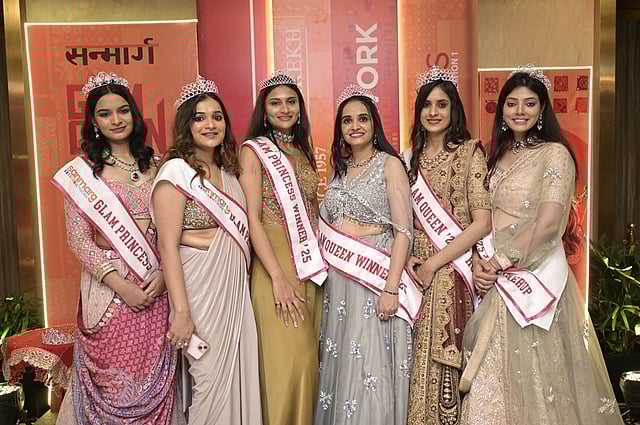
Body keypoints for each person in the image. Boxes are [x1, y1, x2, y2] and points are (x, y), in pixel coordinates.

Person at [459, 64, 624, 425]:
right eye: (512, 103)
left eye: (529, 103)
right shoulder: (496, 156)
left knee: (536, 380)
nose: (520, 111)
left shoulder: (555, 154)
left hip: (533, 279)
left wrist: (499, 262)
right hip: (495, 278)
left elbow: (549, 223)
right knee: (492, 379)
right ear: (501, 109)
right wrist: (480, 261)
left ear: (542, 109)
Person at [54, 72, 183, 424]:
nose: (116, 119)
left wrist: (165, 274)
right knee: (115, 385)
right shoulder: (83, 173)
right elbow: (79, 239)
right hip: (110, 294)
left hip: (157, 288)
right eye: (105, 113)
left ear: (134, 115)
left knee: (155, 383)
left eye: (123, 110)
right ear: (93, 122)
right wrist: (121, 285)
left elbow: (171, 228)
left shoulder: (158, 164)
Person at [151, 76, 262, 424]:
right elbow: (167, 246)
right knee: (209, 380)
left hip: (234, 290)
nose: (210, 124)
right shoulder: (176, 172)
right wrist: (181, 312)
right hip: (199, 292)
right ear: (187, 125)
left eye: (217, 116)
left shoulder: (228, 173)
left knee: (239, 376)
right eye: (200, 117)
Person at [314, 85, 421, 425]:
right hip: (340, 281)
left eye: (362, 118)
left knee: (370, 364)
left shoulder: (390, 165)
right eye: (347, 121)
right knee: (343, 362)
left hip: (375, 276)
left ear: (374, 124)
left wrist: (391, 288)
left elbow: (404, 231)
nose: (355, 126)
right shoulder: (339, 169)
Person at [403, 66, 491, 425]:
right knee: (411, 361)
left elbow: (482, 222)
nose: (433, 112)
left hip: (452, 271)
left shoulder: (470, 153)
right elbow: (402, 221)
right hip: (414, 275)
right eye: (427, 105)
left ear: (454, 110)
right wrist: (410, 258)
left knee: (446, 361)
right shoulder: (409, 159)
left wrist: (433, 263)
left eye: (442, 104)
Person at [239, 70, 327, 425]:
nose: (284, 109)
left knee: (311, 362)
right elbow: (253, 218)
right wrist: (276, 276)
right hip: (273, 261)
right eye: (275, 103)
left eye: (291, 102)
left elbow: (313, 208)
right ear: (264, 110)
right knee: (290, 364)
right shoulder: (253, 152)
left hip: (309, 263)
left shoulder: (303, 150)